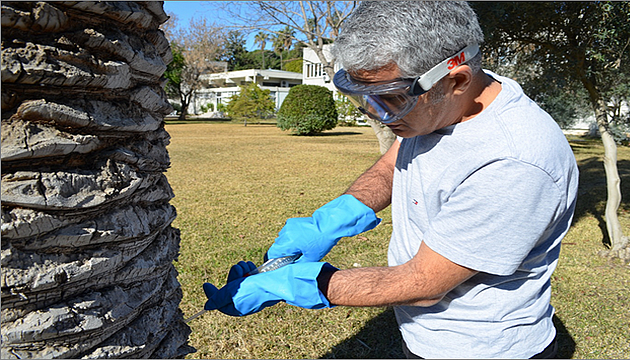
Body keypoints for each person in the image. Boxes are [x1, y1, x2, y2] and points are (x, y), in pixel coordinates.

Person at [202, 2, 579, 358]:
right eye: (364, 99)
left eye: (389, 99)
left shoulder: (513, 162)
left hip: (478, 348)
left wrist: (302, 284)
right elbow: (392, 163)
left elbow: (424, 284)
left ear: (457, 79)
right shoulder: (440, 106)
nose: (378, 115)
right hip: (424, 336)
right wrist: (333, 219)